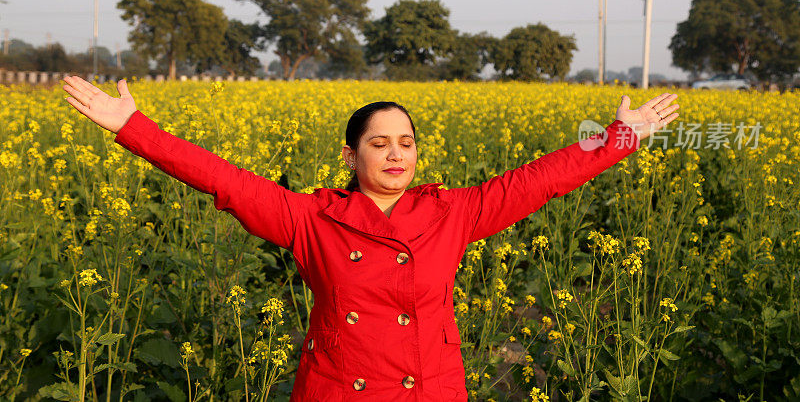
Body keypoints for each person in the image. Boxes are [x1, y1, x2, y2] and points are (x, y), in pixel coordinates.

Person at [62, 75, 679, 401]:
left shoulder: (453, 213)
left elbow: (538, 180)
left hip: (428, 393)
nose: (395, 154)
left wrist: (619, 138)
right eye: (378, 143)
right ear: (351, 154)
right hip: (340, 392)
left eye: (405, 142)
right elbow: (227, 182)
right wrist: (134, 129)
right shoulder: (311, 218)